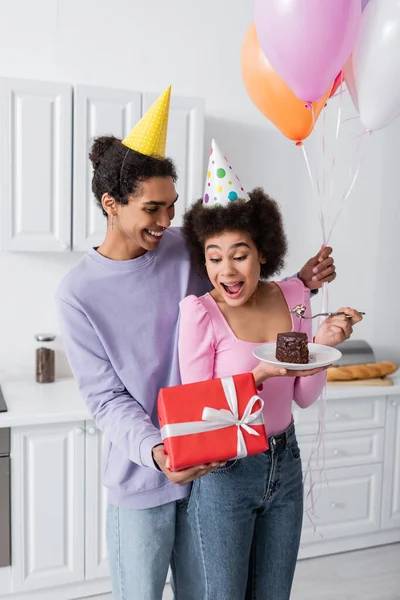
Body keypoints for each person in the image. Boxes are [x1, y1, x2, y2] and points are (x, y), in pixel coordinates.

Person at [56, 91, 337, 600]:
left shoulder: (186, 248)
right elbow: (106, 399)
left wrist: (302, 286)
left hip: (217, 469)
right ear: (111, 205)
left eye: (171, 206)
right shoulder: (78, 293)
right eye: (152, 209)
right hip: (145, 475)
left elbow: (242, 286)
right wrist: (160, 451)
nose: (166, 221)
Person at [178, 140, 363, 600]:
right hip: (225, 473)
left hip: (286, 463)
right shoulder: (200, 314)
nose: (227, 271)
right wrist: (256, 379)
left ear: (263, 252)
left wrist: (322, 345)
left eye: (239, 254)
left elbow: (301, 396)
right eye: (214, 257)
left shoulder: (293, 299)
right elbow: (201, 412)